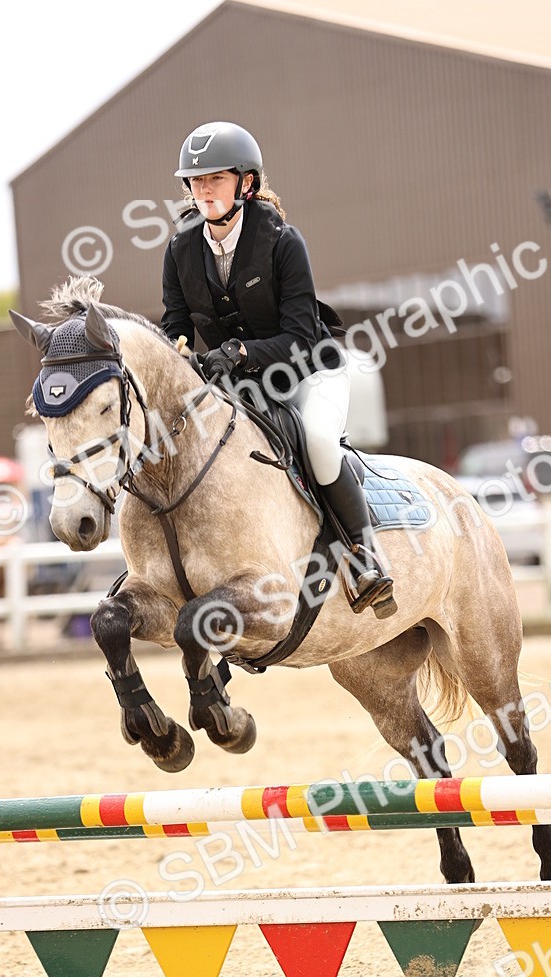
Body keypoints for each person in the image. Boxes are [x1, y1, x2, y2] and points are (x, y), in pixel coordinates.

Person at [161, 120, 395, 618]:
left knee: (316, 439)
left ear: (246, 182)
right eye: (196, 181)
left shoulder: (283, 243)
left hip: (309, 370)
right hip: (236, 386)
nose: (203, 190)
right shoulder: (181, 249)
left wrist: (240, 353)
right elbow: (174, 327)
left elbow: (299, 335)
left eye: (215, 179)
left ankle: (364, 557)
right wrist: (173, 357)